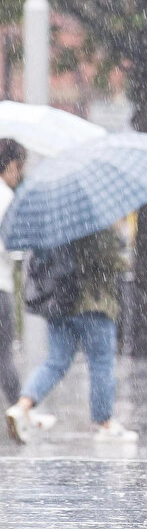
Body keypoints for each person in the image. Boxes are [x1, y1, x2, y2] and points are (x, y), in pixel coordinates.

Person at [6, 228, 134, 443]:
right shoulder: (96, 225)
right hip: (94, 304)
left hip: (60, 304)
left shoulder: (57, 225)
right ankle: (104, 422)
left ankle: (22, 406)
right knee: (101, 362)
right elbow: (113, 261)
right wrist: (121, 246)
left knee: (55, 362)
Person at [0, 140, 26, 404]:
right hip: (1, 286)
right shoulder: (7, 198)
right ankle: (20, 409)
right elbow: (11, 247)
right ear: (8, 166)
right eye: (18, 167)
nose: (19, 174)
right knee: (4, 355)